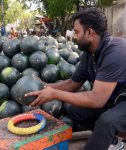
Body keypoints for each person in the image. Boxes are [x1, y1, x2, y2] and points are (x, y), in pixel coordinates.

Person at [25, 7, 126, 150]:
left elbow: (97, 99)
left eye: (77, 31)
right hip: (113, 100)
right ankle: (114, 142)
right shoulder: (89, 54)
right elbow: (73, 83)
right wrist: (45, 87)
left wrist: (55, 94)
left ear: (90, 32)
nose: (74, 36)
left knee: (107, 121)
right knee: (75, 110)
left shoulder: (115, 51)